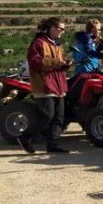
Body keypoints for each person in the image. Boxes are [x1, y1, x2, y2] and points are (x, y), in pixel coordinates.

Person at [18, 17, 74, 154]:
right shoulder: (38, 43)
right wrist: (56, 62)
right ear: (52, 28)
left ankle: (52, 144)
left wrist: (66, 63)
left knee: (59, 117)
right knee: (47, 115)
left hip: (58, 85)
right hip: (44, 85)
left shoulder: (57, 44)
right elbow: (35, 62)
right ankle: (25, 137)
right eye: (61, 29)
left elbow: (61, 60)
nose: (63, 31)